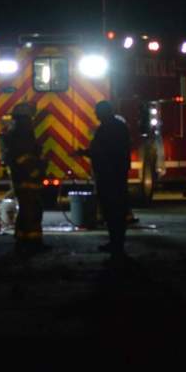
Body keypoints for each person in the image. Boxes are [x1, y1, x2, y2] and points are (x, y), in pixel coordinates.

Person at [76, 100, 132, 256]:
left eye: (97, 111)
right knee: (113, 211)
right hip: (114, 175)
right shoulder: (117, 127)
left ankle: (117, 245)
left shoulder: (108, 128)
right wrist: (85, 153)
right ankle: (115, 243)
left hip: (110, 176)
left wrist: (86, 153)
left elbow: (103, 151)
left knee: (113, 211)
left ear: (104, 112)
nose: (95, 114)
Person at [0, 102, 46, 253]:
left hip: (23, 177)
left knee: (28, 210)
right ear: (25, 117)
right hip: (27, 178)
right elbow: (24, 156)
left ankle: (26, 240)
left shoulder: (17, 131)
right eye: (30, 116)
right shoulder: (22, 132)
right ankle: (30, 243)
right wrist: (37, 168)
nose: (32, 119)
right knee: (31, 210)